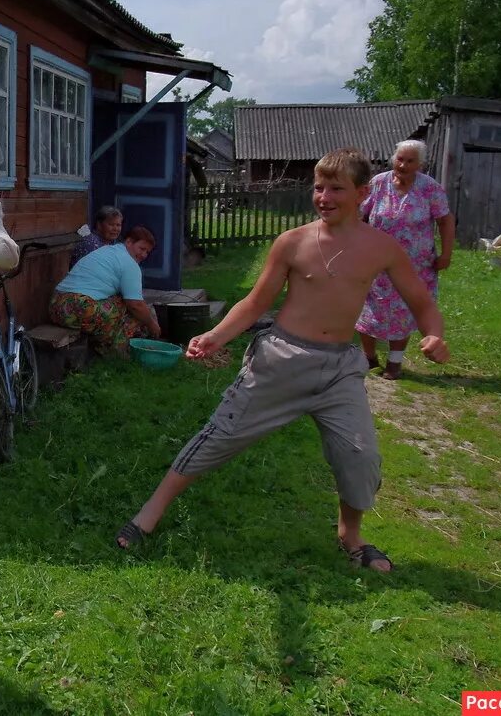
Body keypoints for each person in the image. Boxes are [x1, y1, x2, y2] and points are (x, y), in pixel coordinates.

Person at [114, 148, 450, 573]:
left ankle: (351, 534)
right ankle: (150, 513)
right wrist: (216, 336)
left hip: (340, 370)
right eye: (318, 187)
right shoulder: (293, 243)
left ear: (364, 193)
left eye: (336, 189)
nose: (324, 196)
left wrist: (434, 333)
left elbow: (421, 301)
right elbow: (255, 303)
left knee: (360, 456)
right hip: (281, 360)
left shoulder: (382, 248)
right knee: (217, 437)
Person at [356, 140, 455, 380]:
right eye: (400, 159)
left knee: (404, 311)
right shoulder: (378, 184)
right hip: (376, 262)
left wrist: (446, 254)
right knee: (368, 310)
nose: (403, 164)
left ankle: (394, 363)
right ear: (394, 158)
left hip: (415, 265)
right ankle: (369, 358)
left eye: (410, 161)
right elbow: (359, 215)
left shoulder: (430, 188)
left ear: (420, 164)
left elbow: (445, 220)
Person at [50, 225, 162, 354]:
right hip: (80, 307)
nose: (143, 255)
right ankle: (117, 353)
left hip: (56, 307)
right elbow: (135, 305)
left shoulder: (107, 251)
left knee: (123, 305)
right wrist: (152, 324)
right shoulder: (129, 263)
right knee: (134, 311)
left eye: (147, 252)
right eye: (141, 248)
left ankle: (103, 346)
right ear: (129, 242)